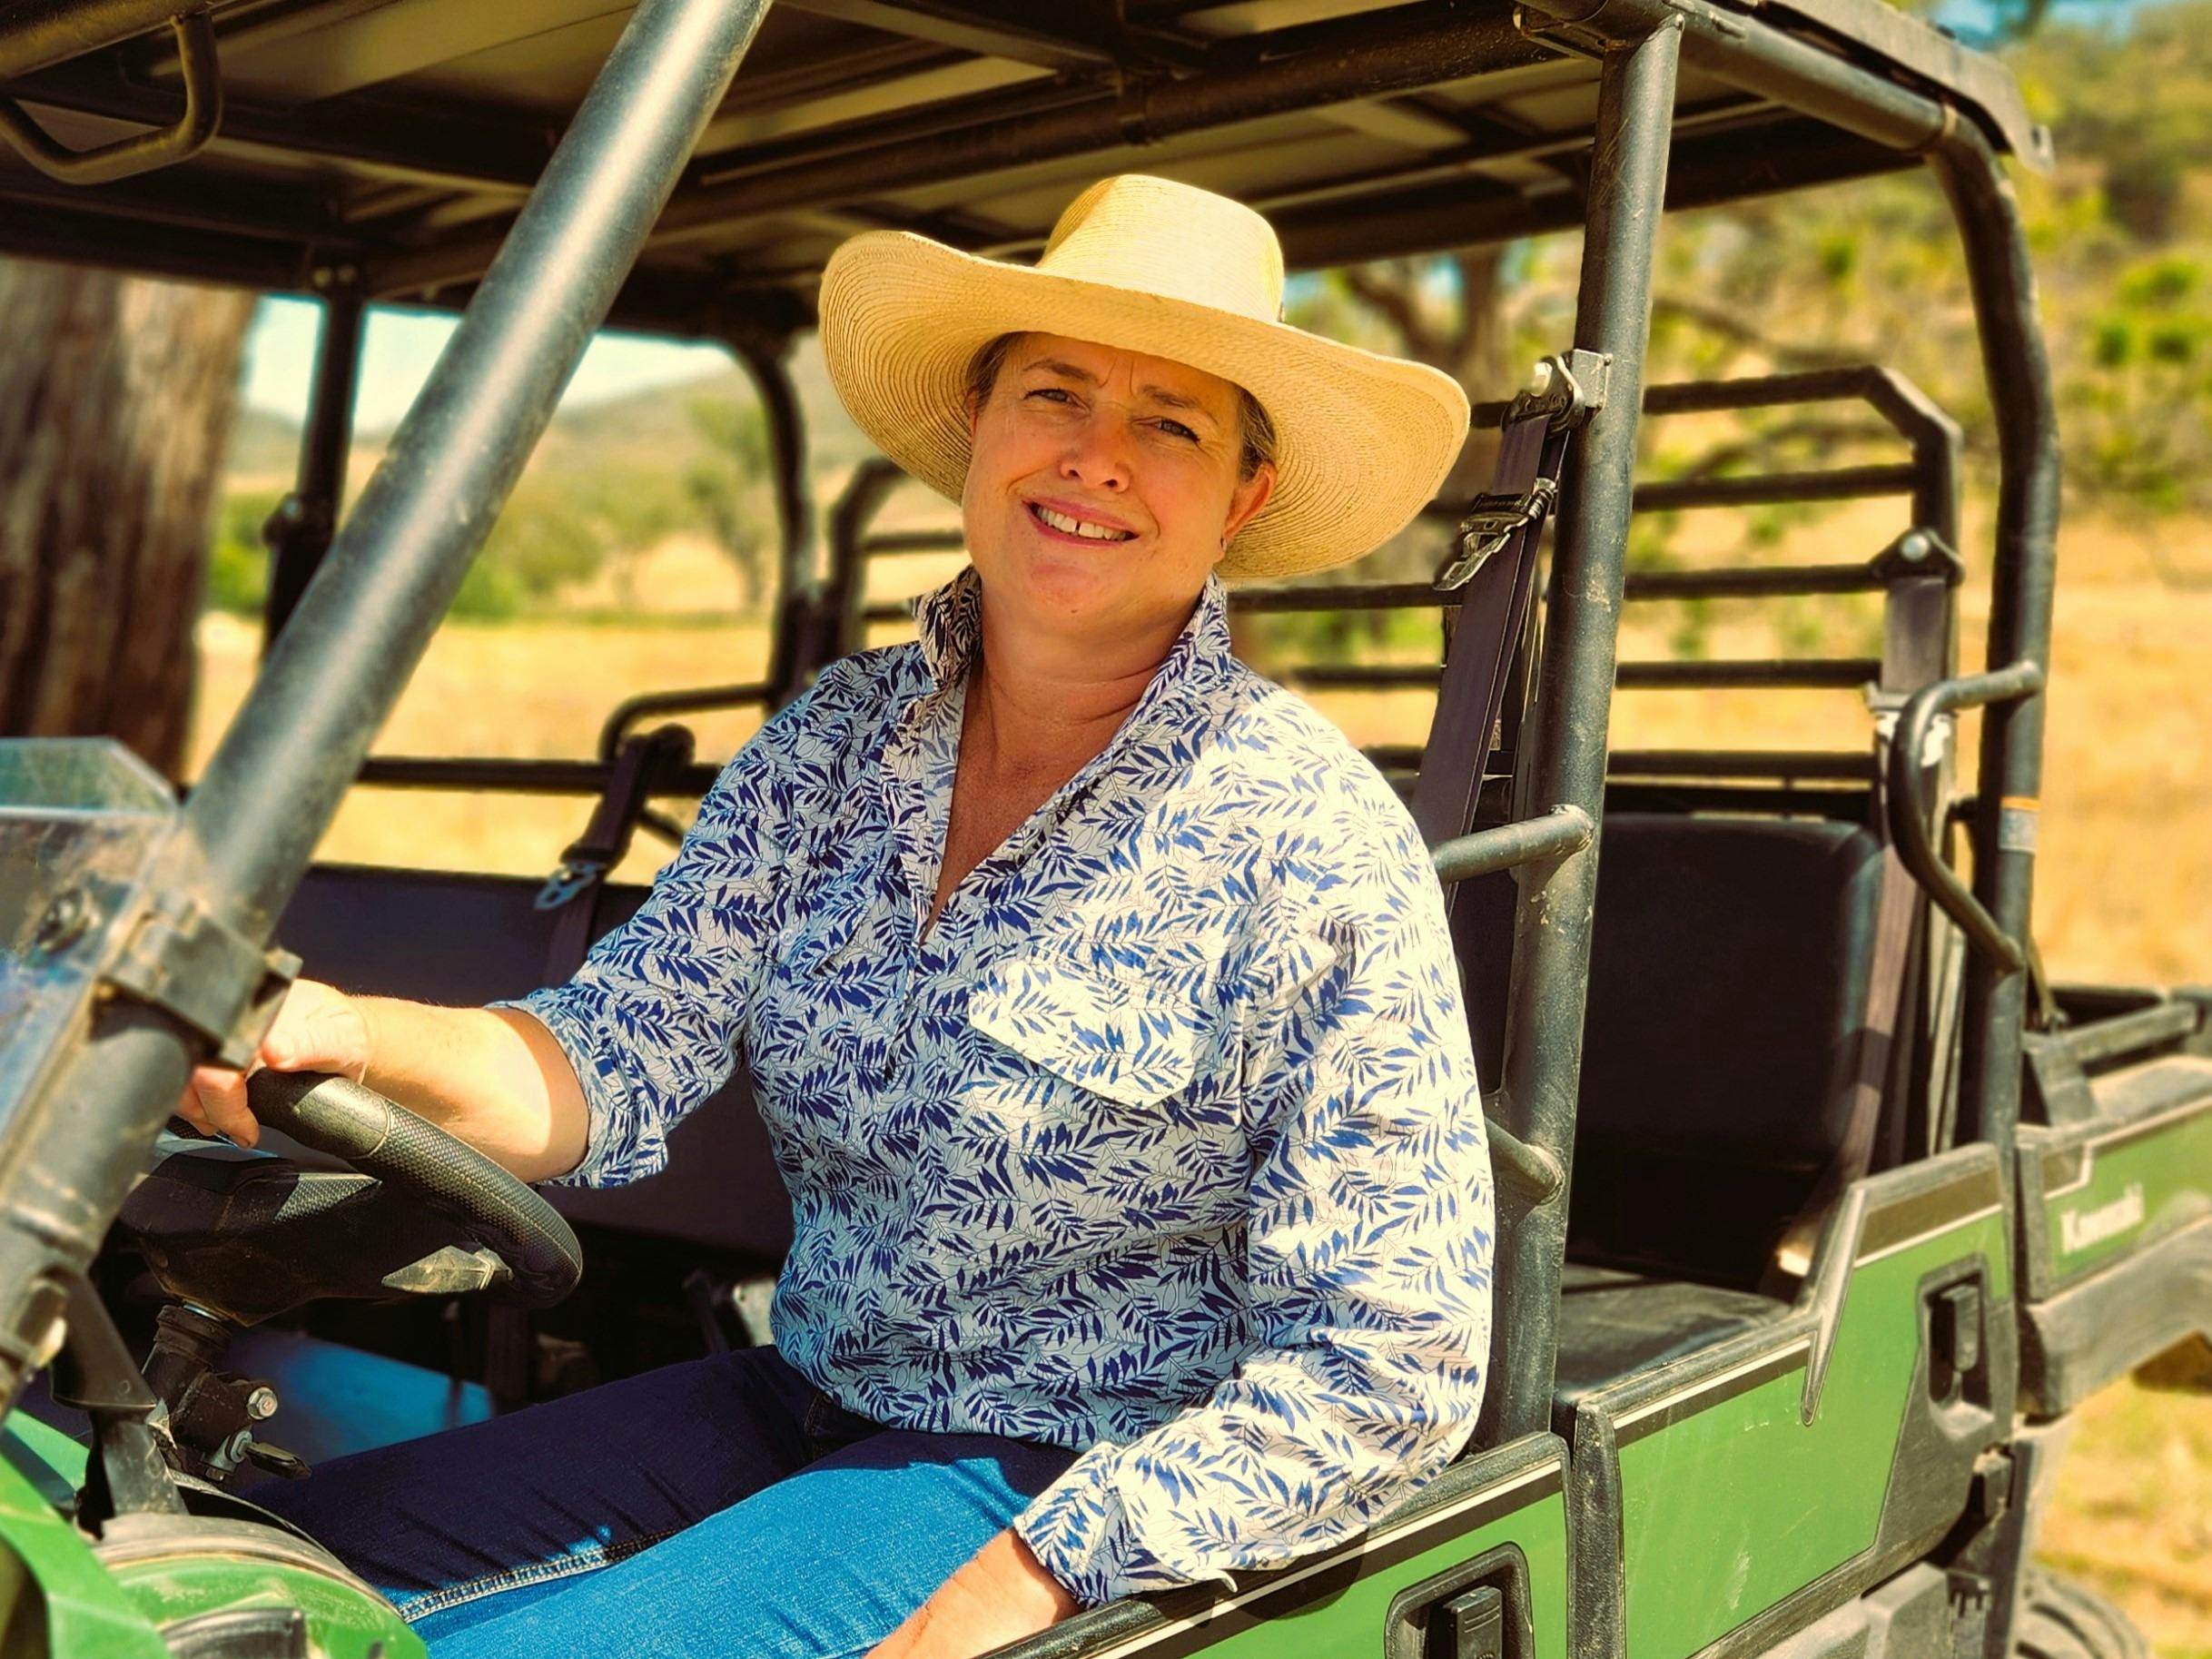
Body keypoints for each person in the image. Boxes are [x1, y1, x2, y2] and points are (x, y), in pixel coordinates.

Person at [183, 173, 1493, 1659]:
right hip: (790, 1391)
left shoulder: (1310, 840)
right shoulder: (839, 740)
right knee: (247, 1588)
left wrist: (1020, 1589)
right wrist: (346, 1030)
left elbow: (1395, 1367)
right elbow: (610, 1054)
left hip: (1055, 1473)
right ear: (980, 426)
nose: (1095, 456)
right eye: (1053, 392)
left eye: (1172, 423)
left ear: (1243, 495)